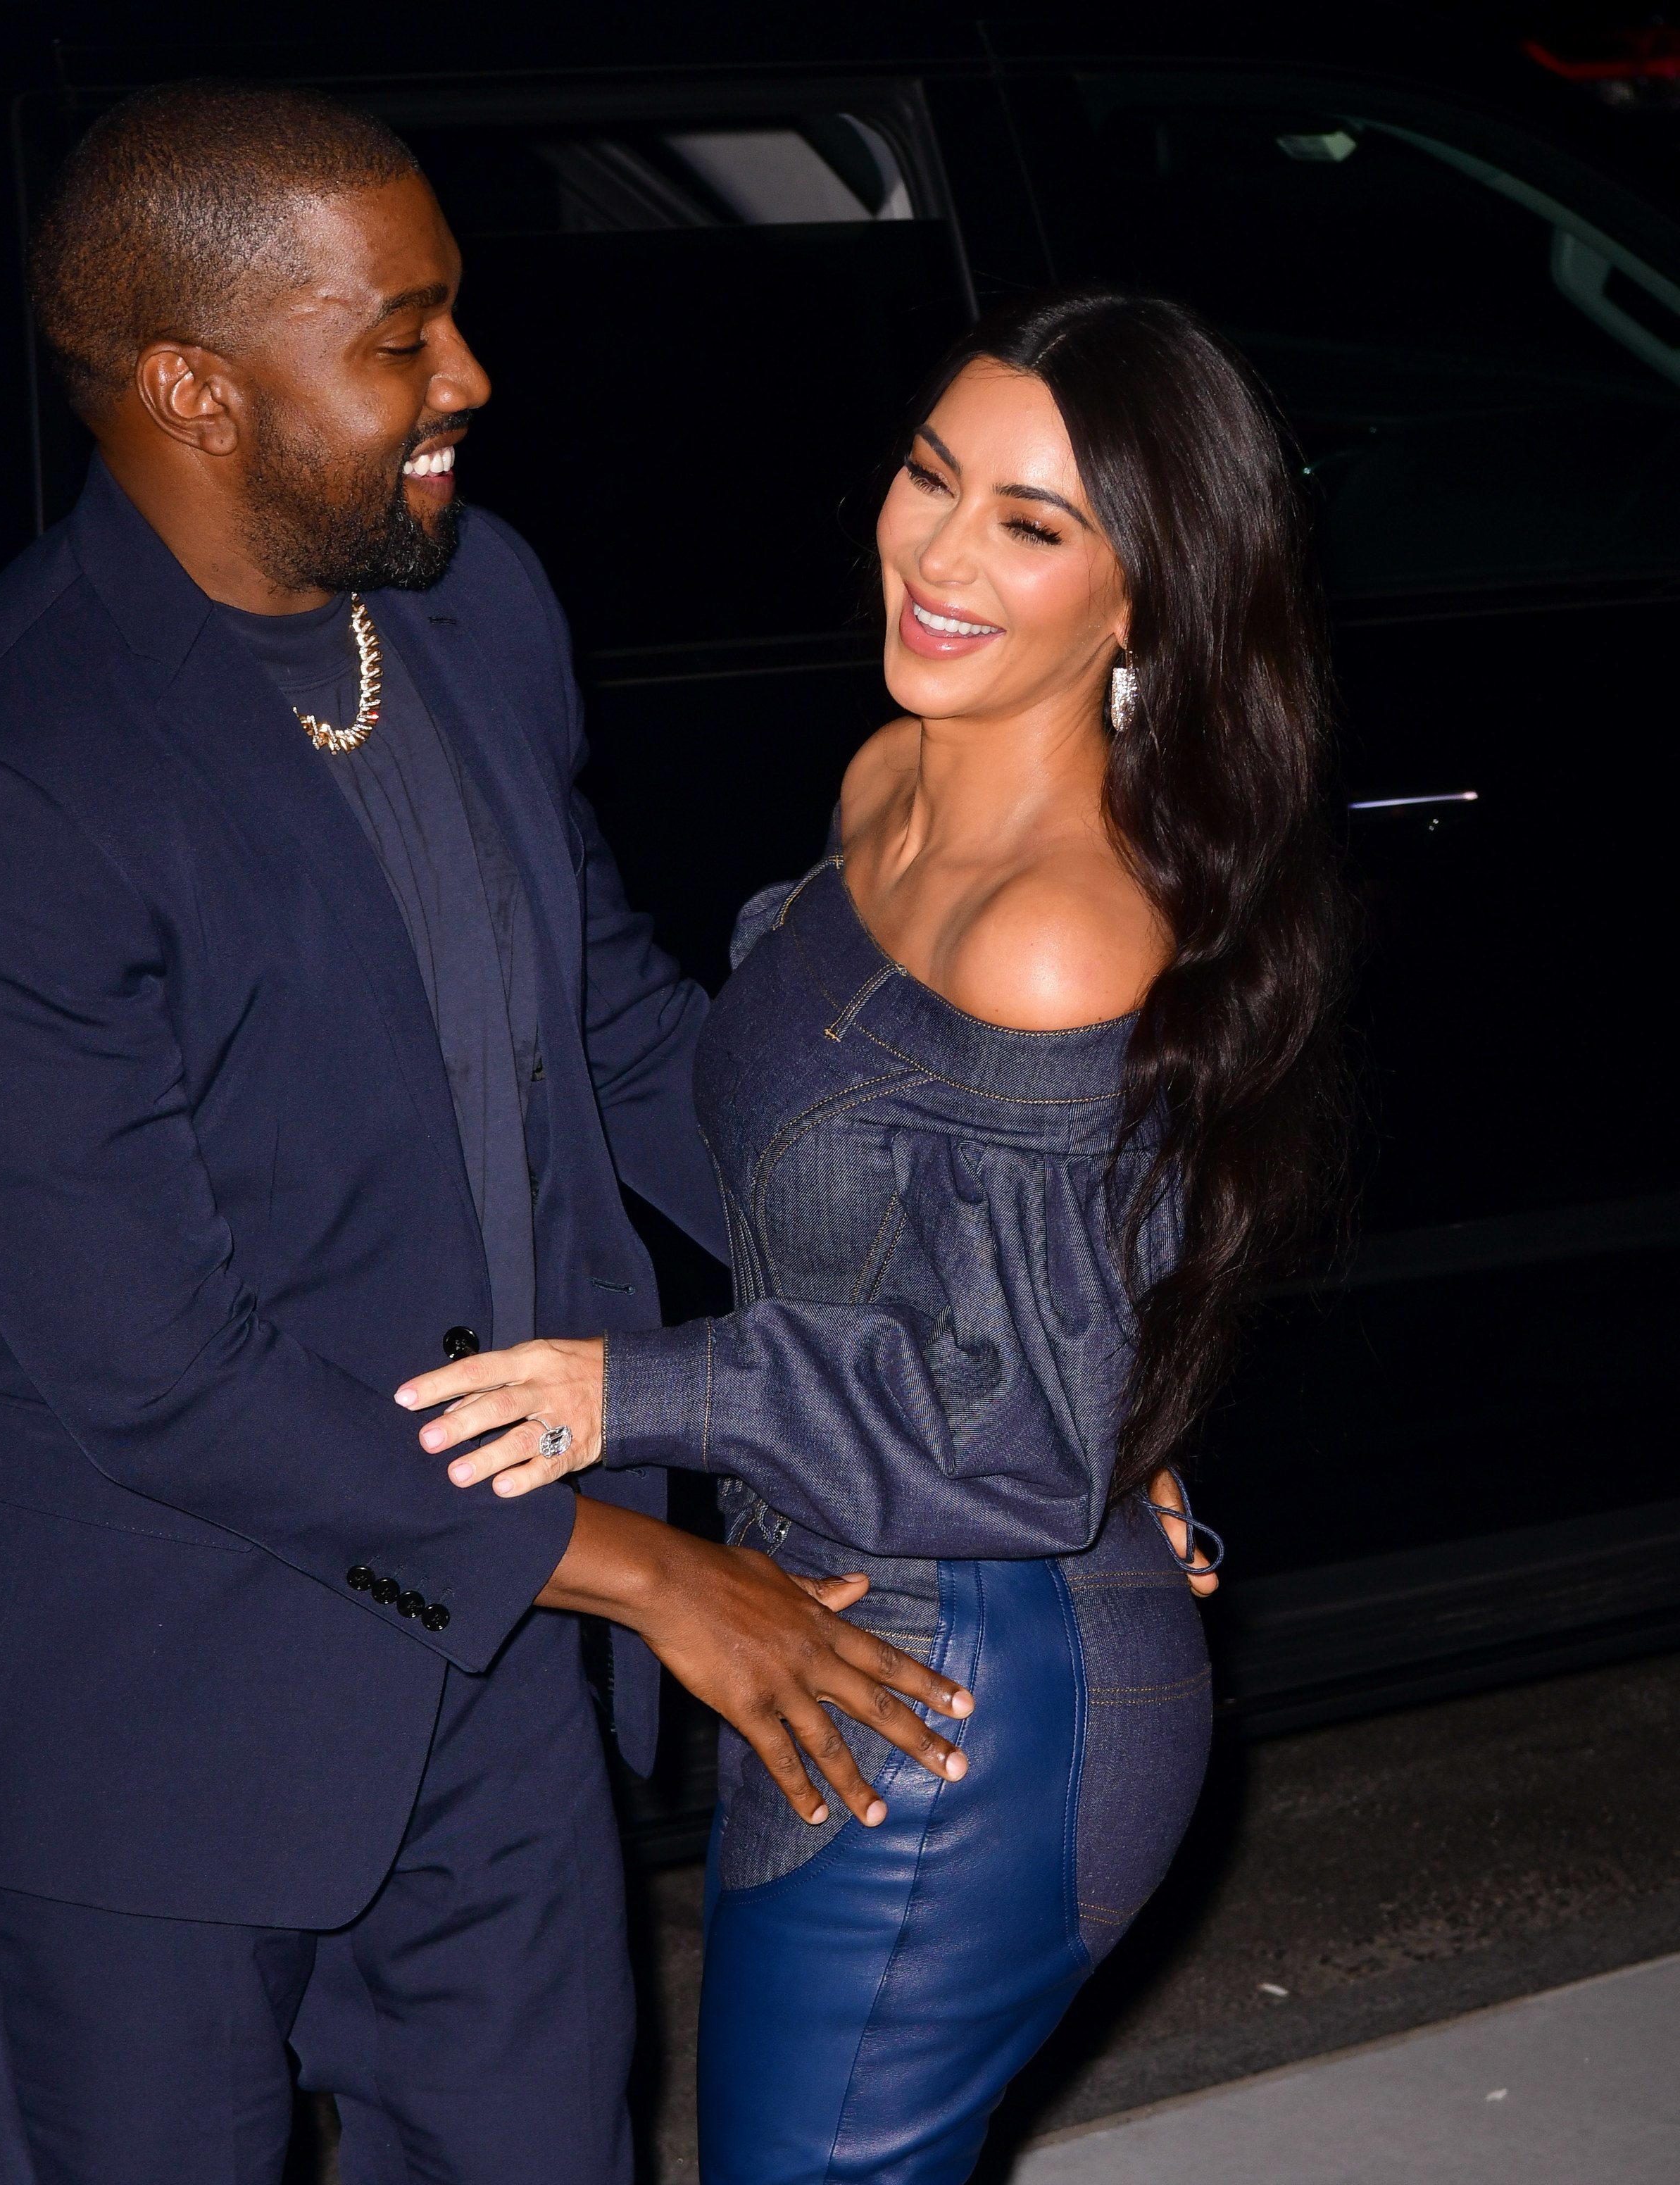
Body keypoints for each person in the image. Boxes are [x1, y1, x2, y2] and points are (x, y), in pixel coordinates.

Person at [0, 81, 971, 2185]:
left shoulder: (470, 604)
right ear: (194, 387)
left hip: (493, 1684)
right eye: (399, 337)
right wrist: (645, 1578)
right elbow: (155, 1375)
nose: (470, 377)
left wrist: (963, 1339)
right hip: (145, 1707)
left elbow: (616, 1029)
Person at [403, 287, 1352, 2181]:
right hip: (854, 1626)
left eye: (1033, 524)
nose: (939, 551)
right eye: (934, 478)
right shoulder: (887, 784)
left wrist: (637, 1388)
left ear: (1146, 601)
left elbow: (1013, 1431)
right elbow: (777, 1158)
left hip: (969, 1695)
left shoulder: (1060, 930)